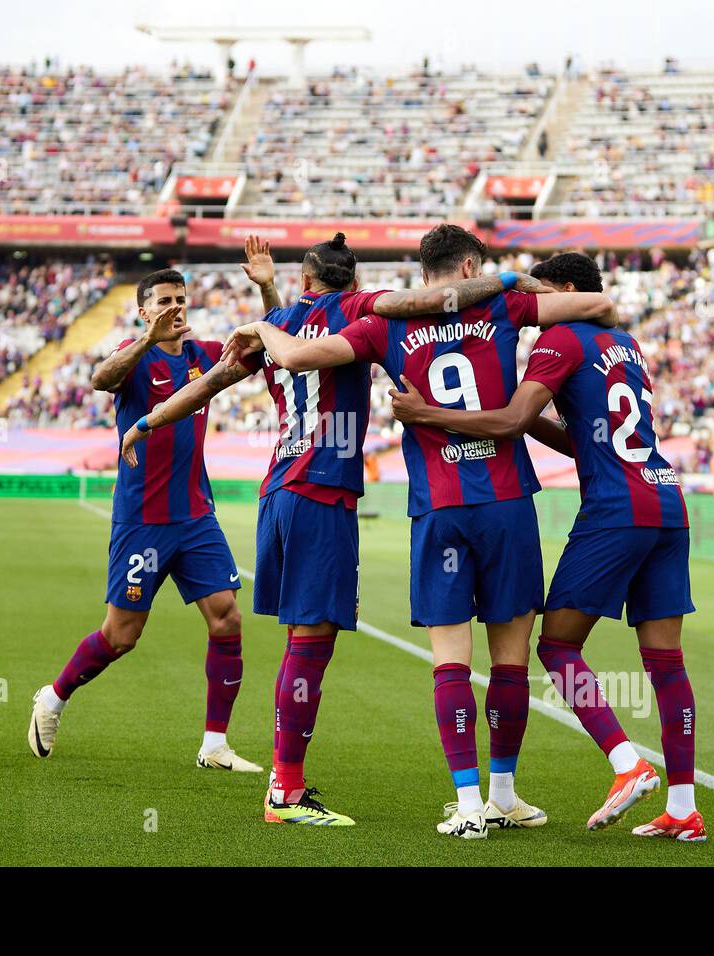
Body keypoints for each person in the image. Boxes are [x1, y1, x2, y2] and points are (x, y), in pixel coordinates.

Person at [121, 234, 539, 826]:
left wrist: (145, 421)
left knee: (304, 637)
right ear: (353, 279)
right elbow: (430, 303)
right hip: (323, 489)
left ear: (304, 282)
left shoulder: (276, 325)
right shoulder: (362, 308)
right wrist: (507, 282)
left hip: (280, 488)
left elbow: (208, 384)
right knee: (312, 640)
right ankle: (285, 791)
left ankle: (285, 783)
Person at [228, 227, 618, 838]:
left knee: (450, 664)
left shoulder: (382, 324)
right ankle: (504, 795)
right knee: (511, 660)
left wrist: (264, 321)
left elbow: (300, 355)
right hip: (508, 498)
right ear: (470, 266)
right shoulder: (501, 304)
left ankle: (466, 807)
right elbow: (598, 305)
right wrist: (517, 282)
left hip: (438, 505)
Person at [390, 252, 704, 842]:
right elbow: (585, 441)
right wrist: (525, 416)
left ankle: (625, 762)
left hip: (615, 511)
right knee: (666, 663)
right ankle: (684, 807)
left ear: (563, 290)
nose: (532, 317)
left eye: (541, 296)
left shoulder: (560, 339)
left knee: (557, 645)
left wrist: (422, 411)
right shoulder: (625, 343)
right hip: (667, 501)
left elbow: (509, 421)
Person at [27, 269, 261, 774]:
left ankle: (214, 744)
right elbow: (100, 380)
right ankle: (53, 697)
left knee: (227, 616)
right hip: (143, 520)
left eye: (180, 299)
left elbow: (265, 345)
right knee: (121, 636)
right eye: (163, 302)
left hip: (197, 515)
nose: (175, 308)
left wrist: (265, 286)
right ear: (143, 310)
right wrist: (146, 340)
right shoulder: (135, 357)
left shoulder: (204, 356)